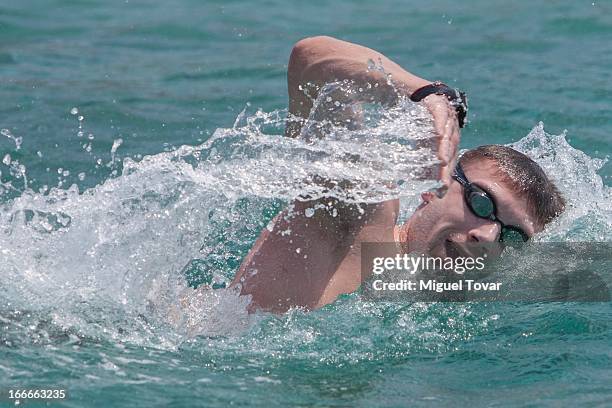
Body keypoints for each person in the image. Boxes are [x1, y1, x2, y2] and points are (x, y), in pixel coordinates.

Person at [228, 36, 565, 313]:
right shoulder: (364, 210)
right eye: (481, 202)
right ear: (435, 186)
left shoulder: (436, 303)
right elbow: (311, 61)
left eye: (512, 237)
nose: (489, 237)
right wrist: (428, 94)